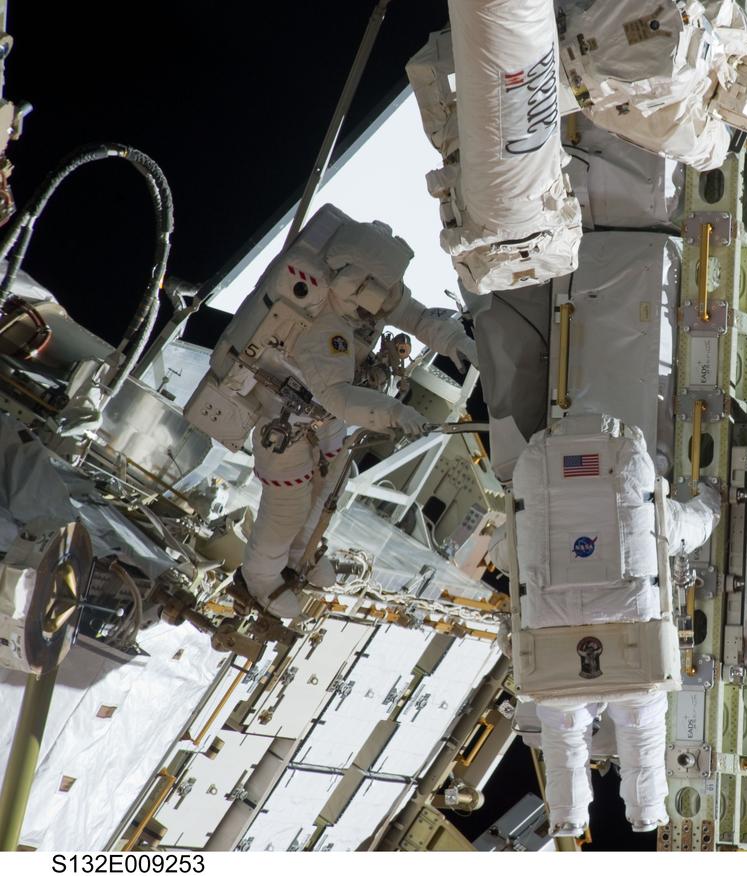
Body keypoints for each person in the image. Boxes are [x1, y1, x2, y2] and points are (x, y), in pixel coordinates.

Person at [218, 206, 476, 617]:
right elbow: (339, 395)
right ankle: (262, 579)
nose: (387, 301)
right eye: (380, 292)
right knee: (289, 509)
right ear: (355, 282)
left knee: (325, 496)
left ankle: (301, 555)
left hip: (323, 423)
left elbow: (416, 316)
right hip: (287, 426)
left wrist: (456, 343)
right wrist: (394, 413)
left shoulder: (366, 297)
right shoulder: (323, 327)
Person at [507, 414, 719, 834]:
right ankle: (646, 813)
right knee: (641, 734)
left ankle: (567, 816)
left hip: (552, 647)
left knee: (564, 737)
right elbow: (683, 529)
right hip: (631, 643)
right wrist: (711, 503)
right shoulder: (629, 469)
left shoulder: (532, 470)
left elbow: (506, 551)